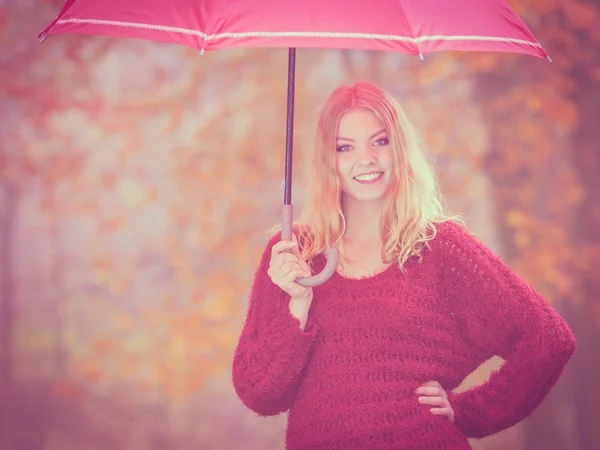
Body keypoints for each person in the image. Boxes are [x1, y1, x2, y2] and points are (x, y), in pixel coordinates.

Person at [231, 82, 577, 449]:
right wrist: (297, 305)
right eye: (344, 147)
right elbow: (259, 393)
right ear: (326, 160)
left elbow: (549, 340)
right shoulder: (293, 255)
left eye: (379, 141)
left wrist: (470, 412)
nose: (366, 158)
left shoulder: (441, 248)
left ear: (400, 149)